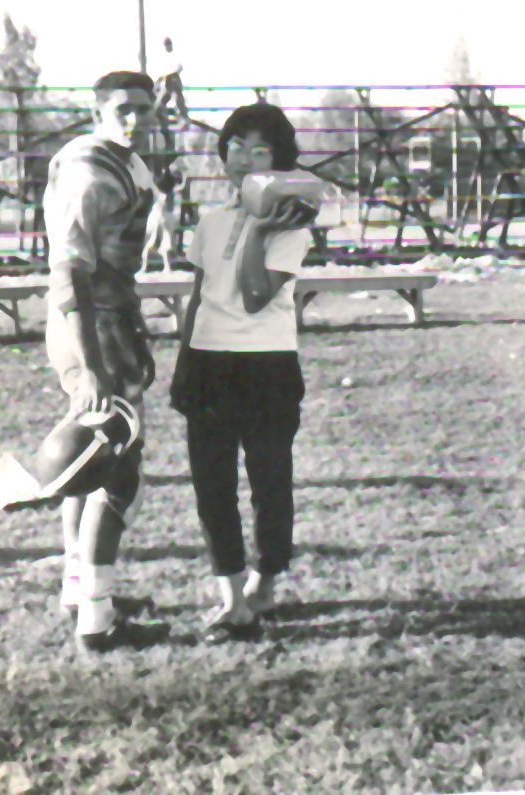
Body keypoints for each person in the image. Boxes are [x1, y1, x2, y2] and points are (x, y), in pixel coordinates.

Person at [170, 103, 315, 644]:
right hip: (208, 364)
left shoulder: (291, 222)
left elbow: (256, 297)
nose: (244, 158)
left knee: (269, 483)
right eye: (236, 145)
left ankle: (266, 579)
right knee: (212, 487)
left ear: (279, 159)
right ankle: (232, 600)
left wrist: (257, 232)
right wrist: (184, 361)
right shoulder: (209, 222)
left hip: (267, 366)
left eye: (260, 149)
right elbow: (199, 296)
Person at [43, 70, 167, 653]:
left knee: (90, 459)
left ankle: (78, 584)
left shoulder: (124, 158)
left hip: (109, 315)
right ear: (99, 109)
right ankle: (97, 618)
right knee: (119, 472)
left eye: (145, 107)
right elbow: (69, 270)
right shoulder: (89, 169)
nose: (136, 118)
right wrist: (92, 363)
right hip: (94, 323)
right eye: (124, 108)